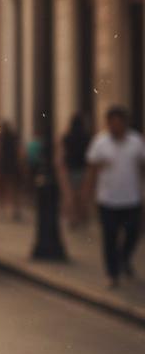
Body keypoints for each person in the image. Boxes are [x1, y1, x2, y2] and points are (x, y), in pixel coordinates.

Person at [81, 104, 145, 289]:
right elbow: (92, 170)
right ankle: (112, 273)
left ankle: (124, 258)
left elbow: (141, 168)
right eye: (112, 123)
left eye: (119, 123)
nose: (115, 127)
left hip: (131, 198)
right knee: (109, 237)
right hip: (107, 199)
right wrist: (88, 194)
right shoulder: (100, 143)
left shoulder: (136, 141)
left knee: (133, 233)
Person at [60, 111, 92, 229]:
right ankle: (81, 217)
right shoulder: (87, 137)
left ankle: (73, 218)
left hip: (70, 169)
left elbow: (62, 154)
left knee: (71, 195)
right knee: (81, 195)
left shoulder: (67, 137)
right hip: (83, 169)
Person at [0, 119, 24, 220]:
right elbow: (19, 151)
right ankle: (16, 210)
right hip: (13, 164)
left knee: (6, 188)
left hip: (5, 165)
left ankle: (7, 210)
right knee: (15, 189)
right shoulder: (14, 138)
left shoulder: (2, 138)